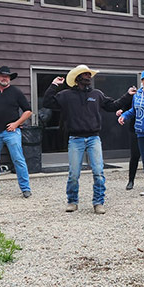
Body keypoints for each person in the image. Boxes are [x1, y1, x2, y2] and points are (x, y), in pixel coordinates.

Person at [43, 65, 134, 214]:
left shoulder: (97, 94)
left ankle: (98, 203)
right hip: (75, 139)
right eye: (85, 74)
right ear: (78, 78)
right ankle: (72, 202)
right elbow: (47, 102)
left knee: (98, 172)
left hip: (94, 138)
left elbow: (113, 106)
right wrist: (54, 85)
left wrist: (128, 95)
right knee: (73, 173)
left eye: (89, 74)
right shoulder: (66, 95)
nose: (88, 77)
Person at [0, 65, 32, 198]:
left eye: (7, 76)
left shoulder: (16, 92)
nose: (5, 78)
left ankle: (26, 189)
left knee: (18, 159)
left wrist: (16, 124)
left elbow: (28, 111)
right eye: (2, 76)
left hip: (12, 132)